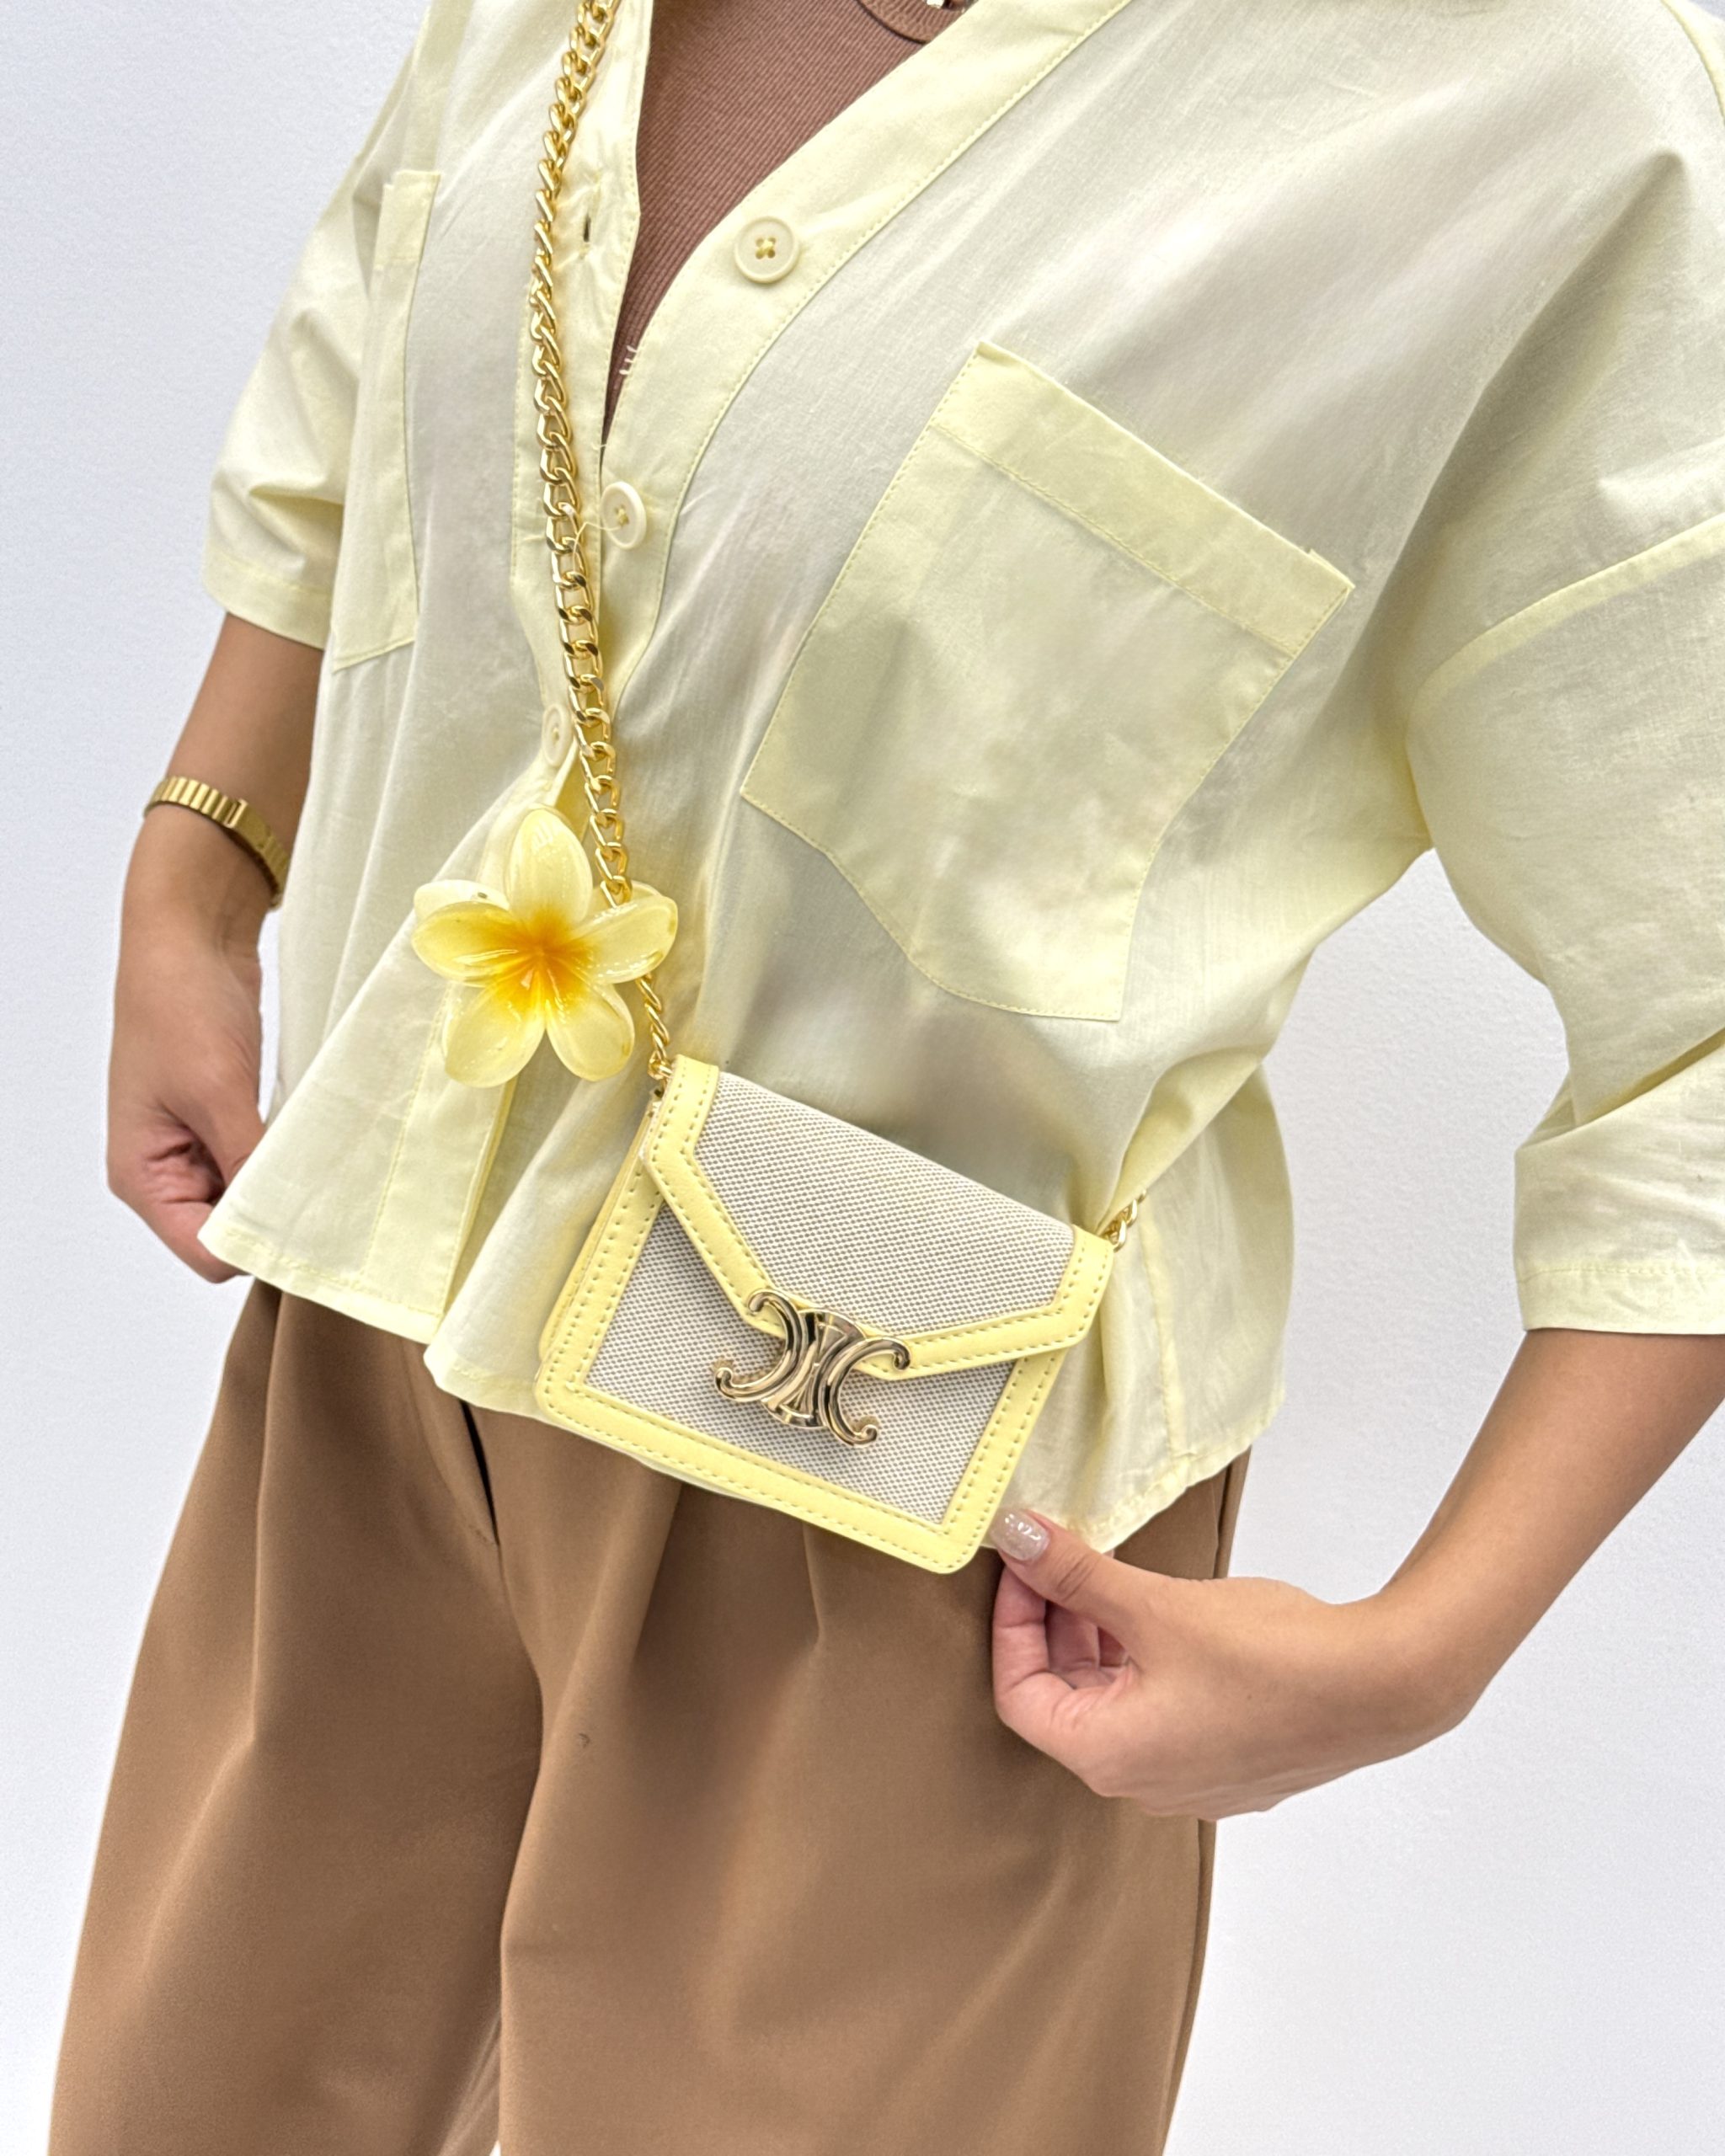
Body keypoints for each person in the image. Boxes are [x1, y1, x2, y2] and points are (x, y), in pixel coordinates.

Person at [51, 0, 1725, 2149]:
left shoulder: (1535, 102)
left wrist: (1424, 1649)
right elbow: (379, 348)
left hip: (907, 1526)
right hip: (363, 1345)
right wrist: (203, 854)